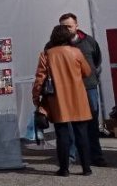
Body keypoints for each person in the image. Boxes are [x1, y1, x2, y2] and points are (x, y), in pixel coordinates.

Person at [33, 24, 93, 176]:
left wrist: (36, 98)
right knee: (82, 134)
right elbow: (87, 72)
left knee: (62, 135)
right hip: (78, 97)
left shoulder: (47, 55)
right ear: (68, 37)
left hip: (58, 100)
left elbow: (40, 80)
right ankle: (86, 168)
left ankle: (64, 169)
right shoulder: (76, 52)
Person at [61, 12, 106, 167]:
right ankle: (71, 156)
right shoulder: (57, 45)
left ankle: (96, 155)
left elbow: (97, 61)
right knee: (69, 123)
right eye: (63, 27)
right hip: (68, 89)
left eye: (69, 26)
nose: (66, 29)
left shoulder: (89, 42)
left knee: (92, 122)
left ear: (76, 26)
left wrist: (92, 77)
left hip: (88, 87)